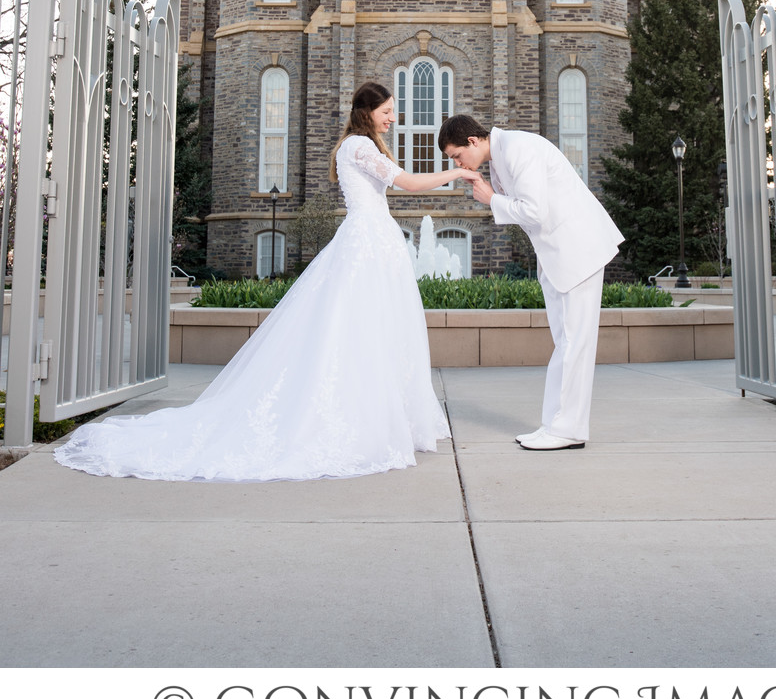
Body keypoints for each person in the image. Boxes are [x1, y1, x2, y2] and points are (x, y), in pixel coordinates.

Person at [54, 83, 479, 482]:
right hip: (366, 243)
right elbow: (406, 182)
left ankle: (384, 415)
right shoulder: (358, 146)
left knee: (375, 330)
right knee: (356, 329)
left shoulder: (363, 145)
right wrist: (454, 174)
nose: (393, 118)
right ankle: (355, 418)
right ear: (368, 112)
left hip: (375, 242)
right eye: (387, 111)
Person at [438, 114, 624, 451]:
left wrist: (491, 198)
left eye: (456, 155)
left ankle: (567, 430)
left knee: (574, 343)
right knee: (566, 342)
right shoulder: (504, 153)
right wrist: (492, 194)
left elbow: (534, 211)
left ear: (473, 141)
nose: (458, 163)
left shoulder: (518, 149)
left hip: (577, 250)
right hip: (558, 255)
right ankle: (555, 425)